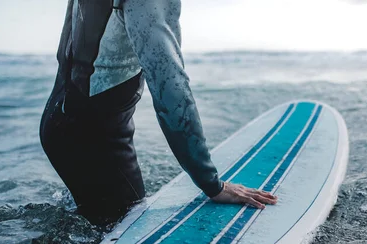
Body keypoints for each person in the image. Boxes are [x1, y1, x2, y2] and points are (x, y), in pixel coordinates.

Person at [40, 0, 277, 224]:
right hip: (95, 140)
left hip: (59, 120)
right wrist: (213, 185)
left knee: (92, 220)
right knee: (117, 236)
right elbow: (170, 90)